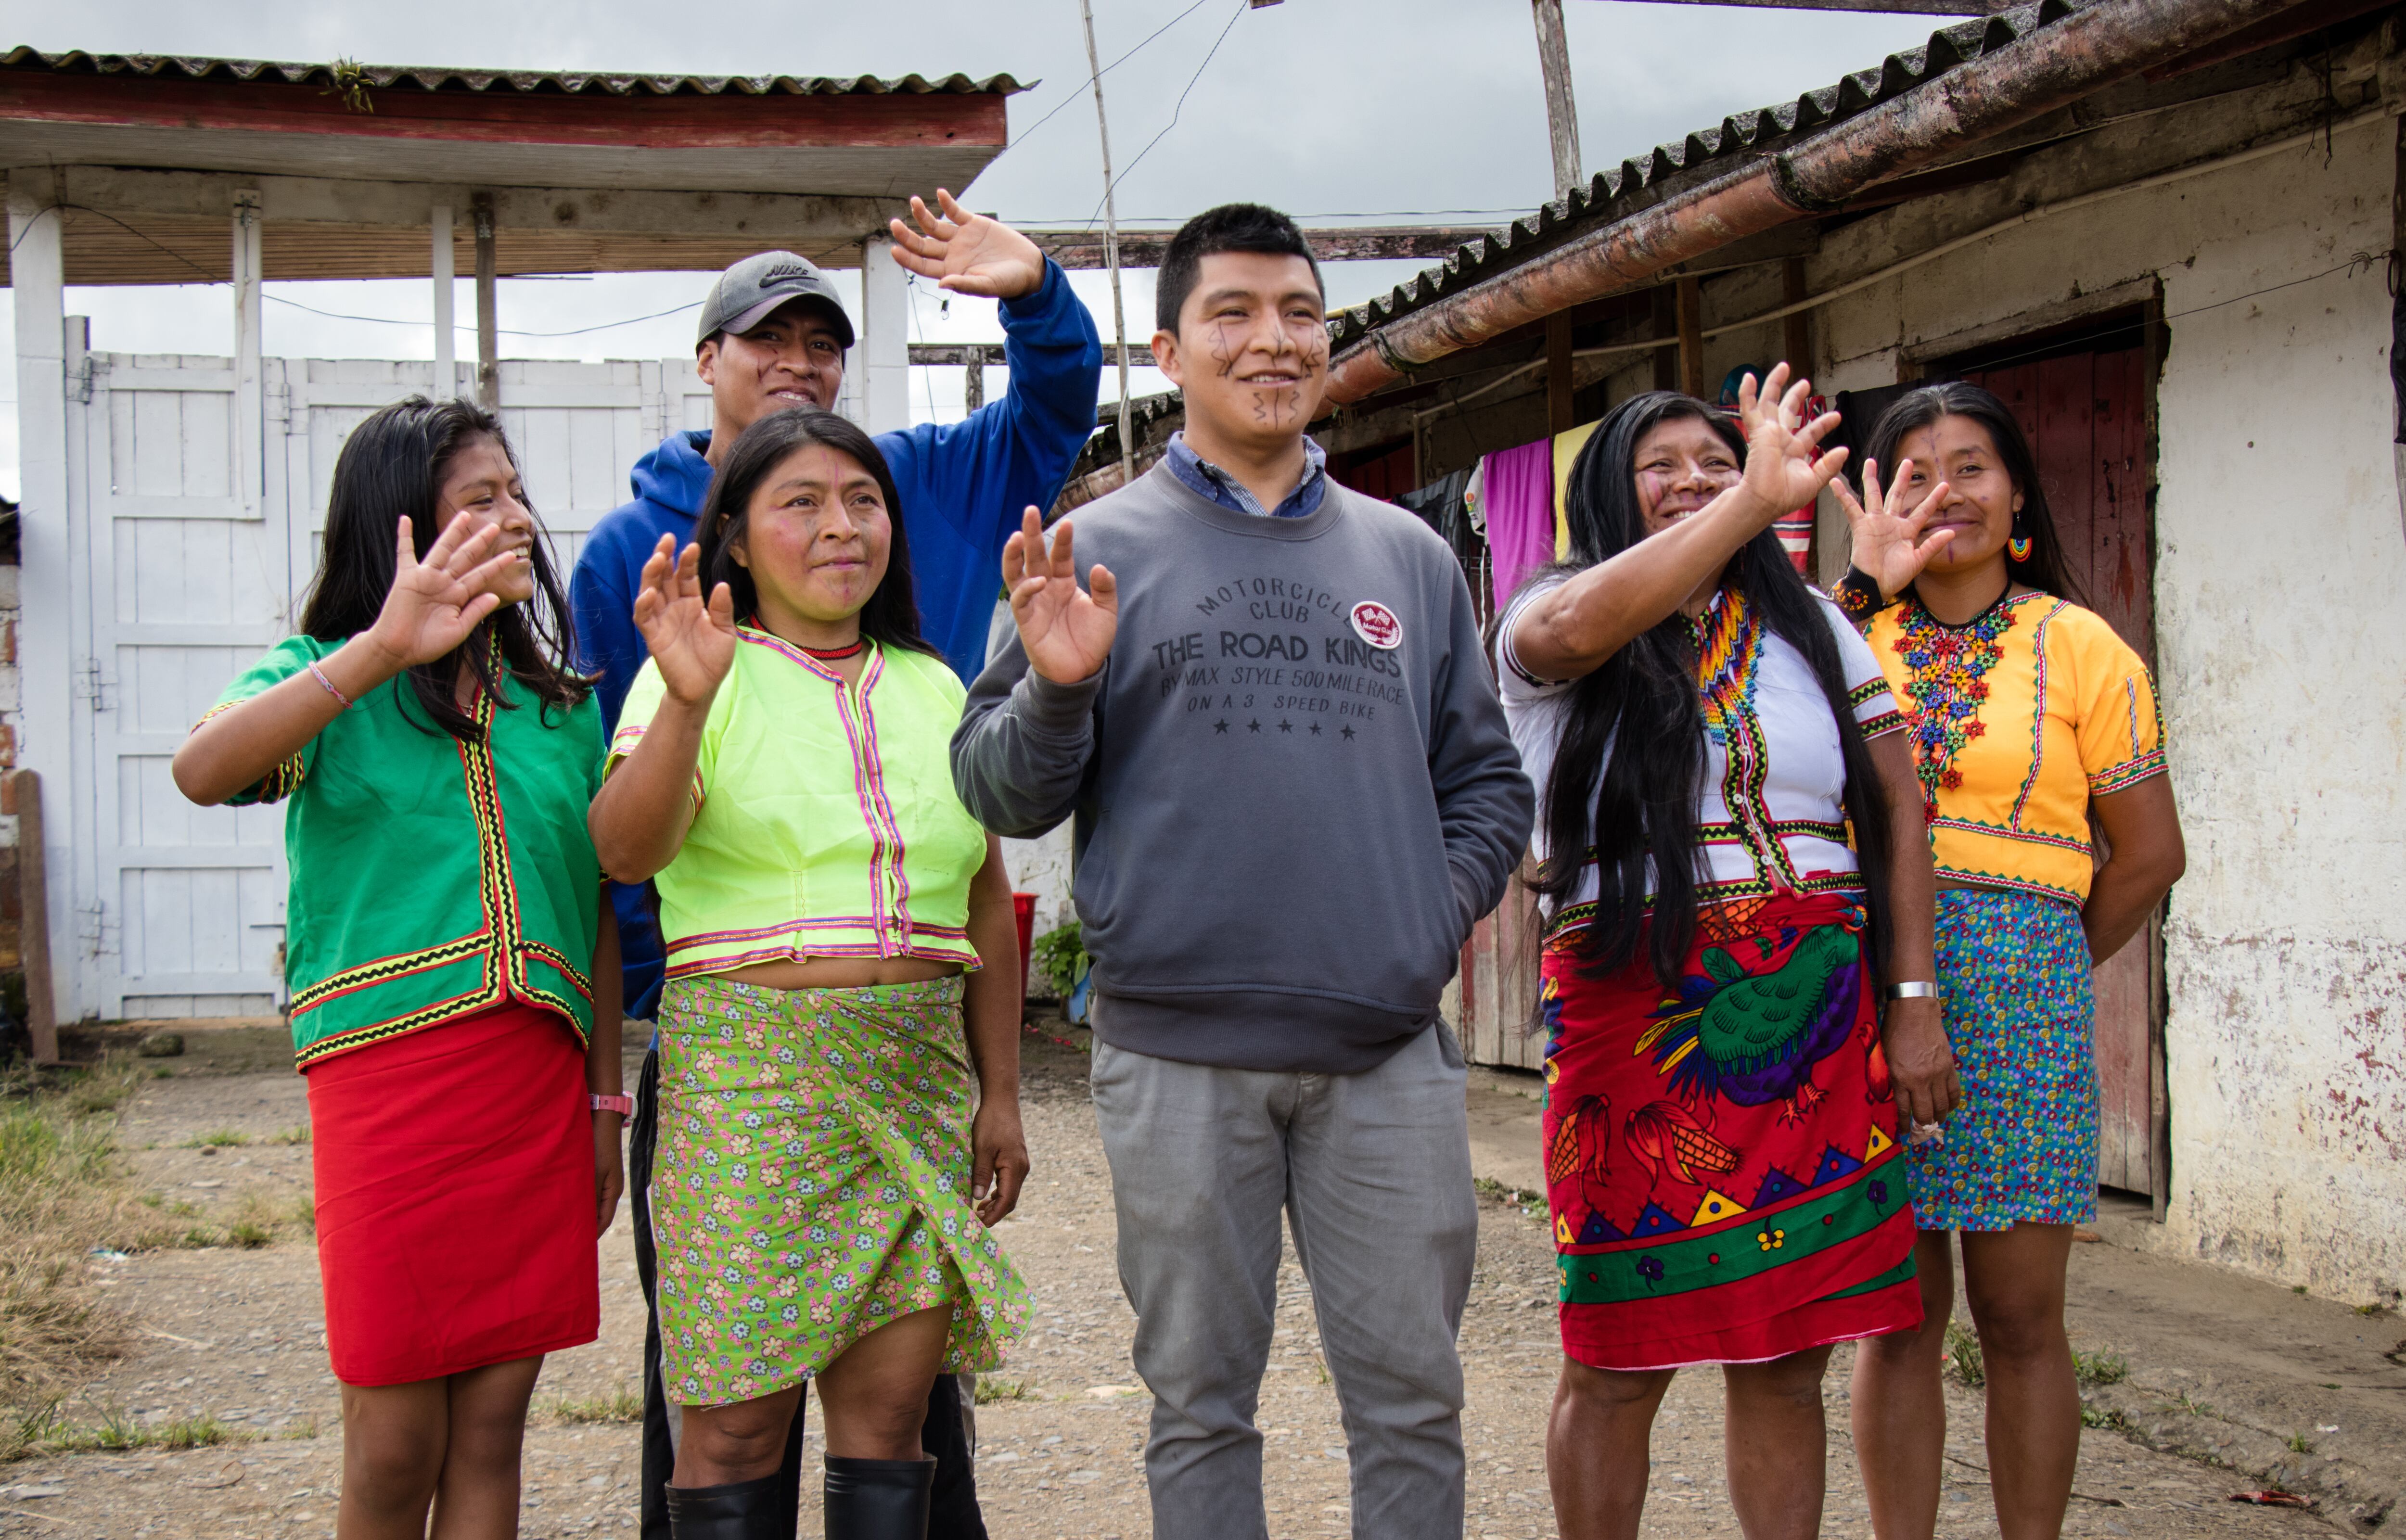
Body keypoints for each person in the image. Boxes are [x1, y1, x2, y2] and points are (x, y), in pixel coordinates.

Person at [951, 203, 1534, 1540]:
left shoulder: (1410, 558)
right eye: (1234, 314)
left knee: (1410, 1400)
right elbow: (994, 784)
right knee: (1200, 1405)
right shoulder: (1097, 550)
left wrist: (1419, 921)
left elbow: (1492, 786)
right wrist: (1054, 688)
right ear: (1168, 349)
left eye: (1301, 315)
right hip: (1176, 1061)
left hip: (1386, 1053)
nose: (1274, 341)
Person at [570, 192, 1098, 1540]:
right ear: (738, 535)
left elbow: (983, 901)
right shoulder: (699, 664)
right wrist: (683, 698)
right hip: (747, 1072)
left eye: (863, 502)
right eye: (801, 505)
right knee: (733, 1422)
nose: (843, 527)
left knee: (890, 1423)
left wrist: (1001, 1095)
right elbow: (621, 850)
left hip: (914, 1074)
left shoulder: (934, 685)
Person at [1498, 375, 1958, 1540]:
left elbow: (1900, 812)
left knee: (1788, 1349)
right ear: (1608, 486)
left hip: (1820, 1014)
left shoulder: (1815, 622)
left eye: (1718, 459)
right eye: (1662, 464)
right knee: (1616, 1352)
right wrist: (1749, 505)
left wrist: (1912, 1000)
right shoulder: (1553, 610)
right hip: (1635, 1004)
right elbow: (1577, 632)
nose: (1693, 479)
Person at [170, 398, 623, 1540]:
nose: (518, 517)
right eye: (482, 499)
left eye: (517, 493)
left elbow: (602, 915)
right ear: (402, 529)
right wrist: (383, 646)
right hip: (390, 1092)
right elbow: (202, 770)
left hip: (536, 1088)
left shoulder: (561, 708)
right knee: (391, 1438)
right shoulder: (327, 677)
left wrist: (605, 1106)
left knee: (493, 1426)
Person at [1836, 382, 2186, 1540]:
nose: (1947, 494)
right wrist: (1854, 589)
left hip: (2024, 997)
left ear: (2019, 494)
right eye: (1916, 473)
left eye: (1972, 467)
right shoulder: (1841, 637)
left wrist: (2036, 960)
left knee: (2022, 1315)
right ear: (1878, 501)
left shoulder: (2082, 646)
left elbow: (2146, 855)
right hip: (1858, 989)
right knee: (1894, 1314)